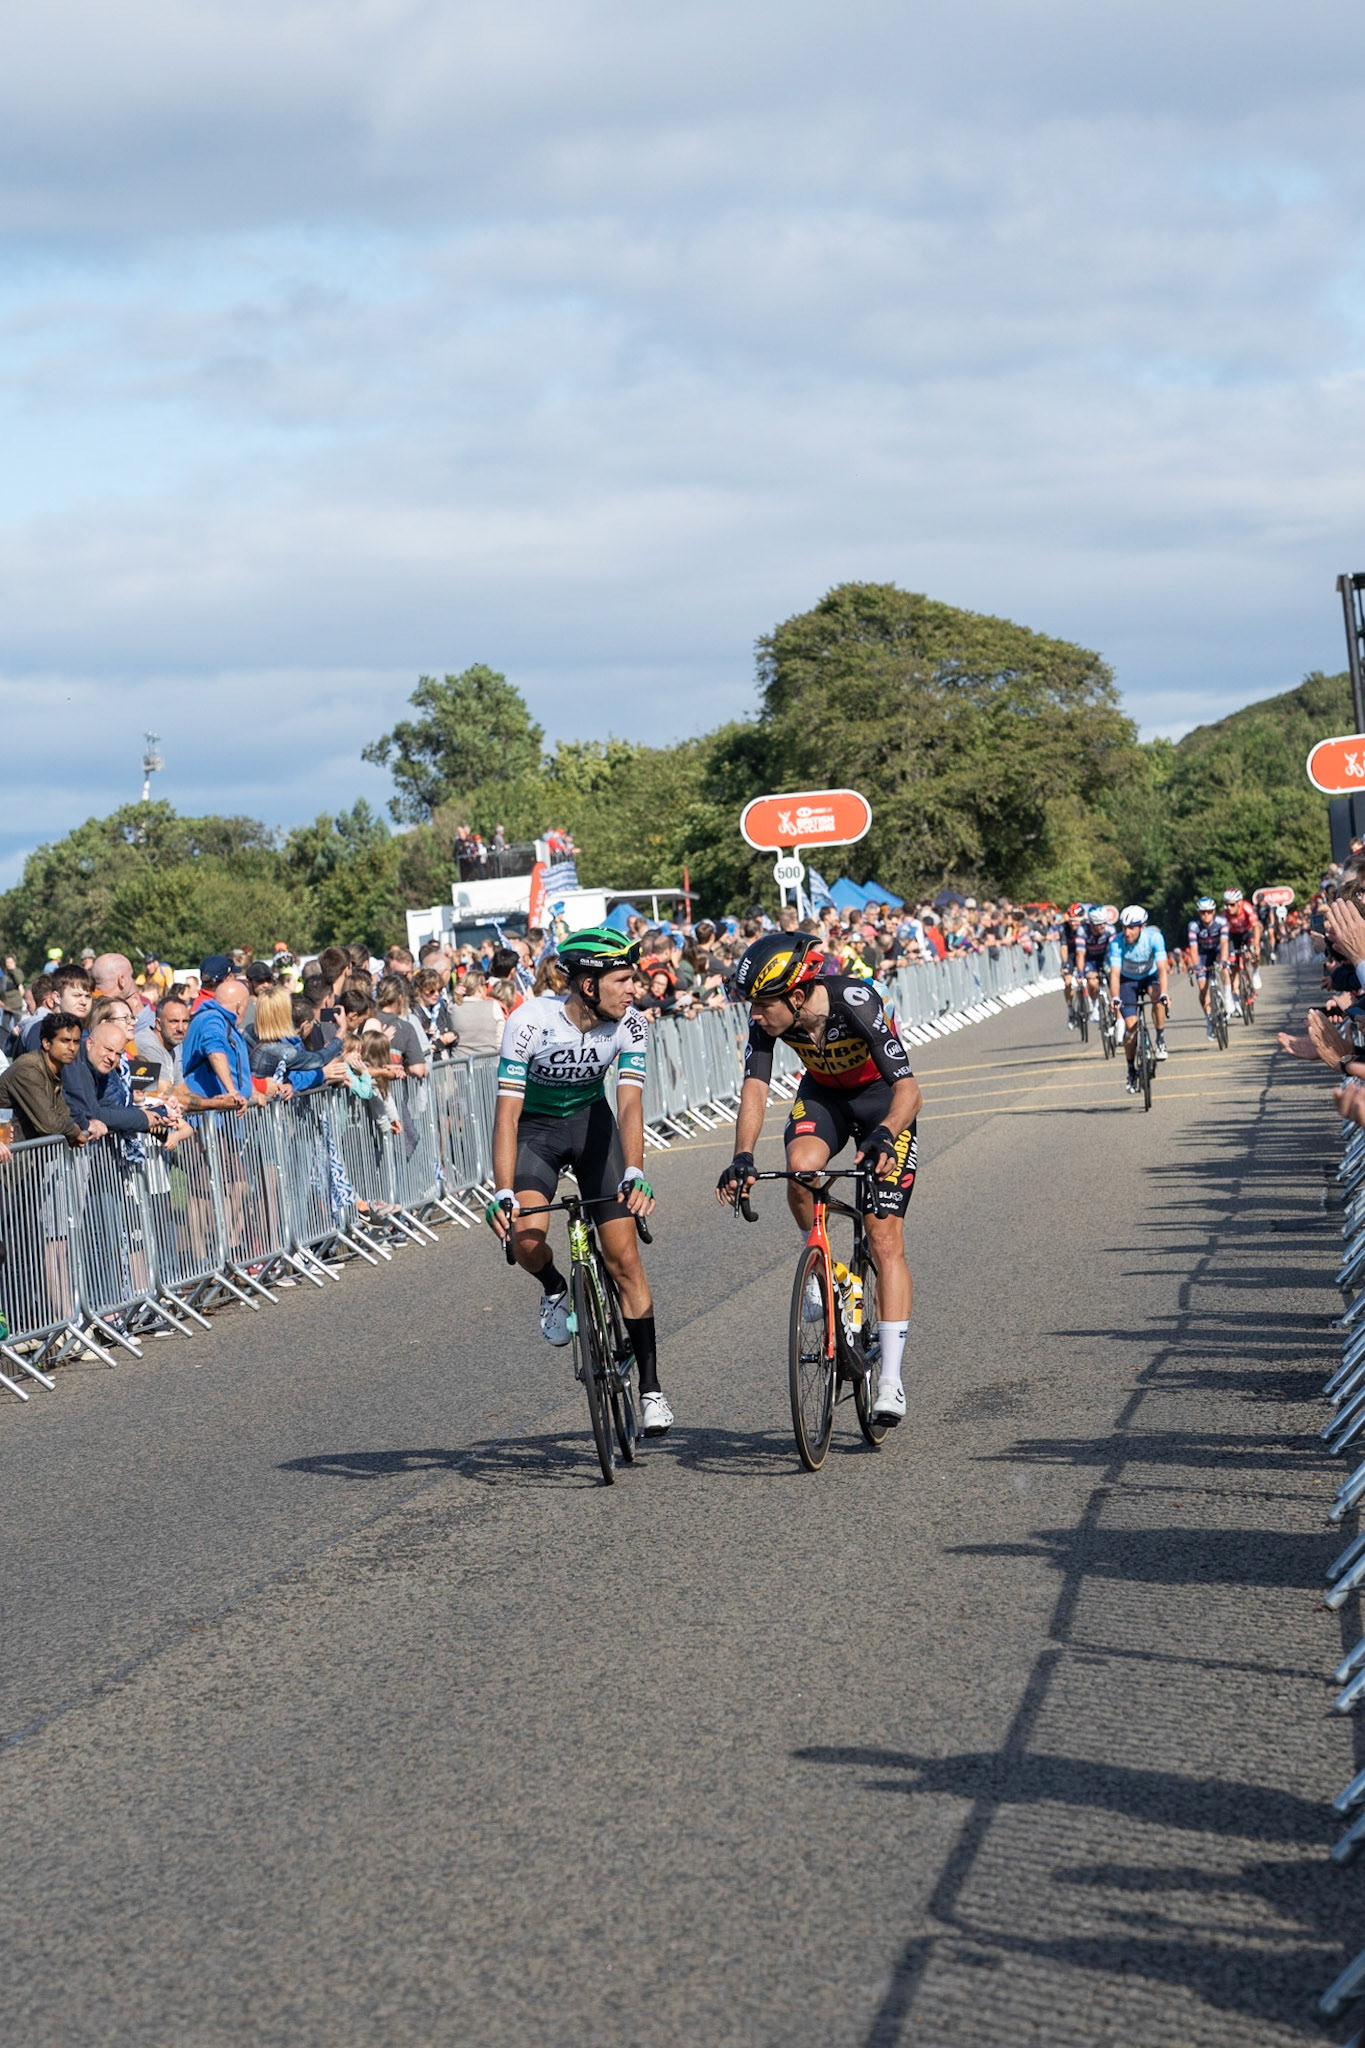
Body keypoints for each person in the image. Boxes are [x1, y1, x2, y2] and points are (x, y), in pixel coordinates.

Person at [715, 931, 922, 1426]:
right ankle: (834, 1276)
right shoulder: (769, 1021)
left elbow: (911, 1090)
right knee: (801, 1168)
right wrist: (742, 1156)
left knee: (884, 1238)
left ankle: (890, 1381)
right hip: (824, 1097)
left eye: (763, 1006)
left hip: (882, 1103)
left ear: (798, 996)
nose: (756, 1016)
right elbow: (755, 1088)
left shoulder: (856, 1001)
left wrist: (885, 1135)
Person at [486, 926, 672, 1436]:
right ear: (588, 985)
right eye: (624, 979)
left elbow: (630, 1101)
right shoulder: (528, 1022)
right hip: (536, 1133)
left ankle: (652, 1389)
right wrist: (503, 1190)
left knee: (624, 1259)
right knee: (524, 1236)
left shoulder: (631, 1025)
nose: (635, 989)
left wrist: (636, 1170)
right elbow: (507, 1114)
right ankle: (553, 1289)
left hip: (593, 1127)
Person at [0, 1014, 90, 1144]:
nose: (72, 1048)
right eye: (65, 1041)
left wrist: (71, 1130)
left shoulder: (54, 1068)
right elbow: (48, 1123)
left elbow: (62, 1112)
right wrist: (74, 1130)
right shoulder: (28, 1069)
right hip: (9, 1153)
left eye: (76, 1042)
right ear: (46, 1043)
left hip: (25, 1154)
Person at [1107, 906, 1169, 1092]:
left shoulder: (1154, 938)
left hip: (1149, 977)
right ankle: (1131, 1069)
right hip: (1128, 980)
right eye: (1124, 927)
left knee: (1158, 997)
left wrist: (1165, 993)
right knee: (1131, 1025)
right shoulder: (1117, 943)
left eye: (1132, 927)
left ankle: (1160, 1039)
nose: (1127, 932)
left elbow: (1162, 969)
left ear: (1142, 927)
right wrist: (1115, 997)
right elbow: (1115, 974)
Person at [181, 971, 253, 1110]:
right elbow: (214, 1051)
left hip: (224, 1115)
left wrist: (252, 1090)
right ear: (240, 1007)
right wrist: (232, 1092)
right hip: (212, 1117)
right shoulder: (213, 1019)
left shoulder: (220, 1019)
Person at [1186, 897, 1229, 1037]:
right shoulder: (1194, 926)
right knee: (1203, 988)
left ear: (1214, 911)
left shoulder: (1222, 922)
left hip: (1216, 951)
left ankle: (1228, 999)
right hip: (1202, 954)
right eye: (1203, 912)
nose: (1206, 915)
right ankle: (1209, 1017)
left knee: (1224, 968)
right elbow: (1193, 948)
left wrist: (1223, 960)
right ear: (1199, 913)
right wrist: (1197, 965)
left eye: (1209, 912)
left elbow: (1224, 943)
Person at [450, 968, 506, 1055]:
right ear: (479, 988)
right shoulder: (493, 1006)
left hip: (459, 1064)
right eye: (486, 985)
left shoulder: (453, 1007)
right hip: (488, 1063)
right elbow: (500, 1039)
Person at [1222, 887, 1261, 1007]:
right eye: (1226, 905)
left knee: (1254, 952)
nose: (1229, 908)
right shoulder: (1225, 914)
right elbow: (1222, 934)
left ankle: (1255, 972)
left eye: (1232, 905)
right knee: (1233, 964)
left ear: (1239, 902)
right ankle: (1236, 993)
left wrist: (1256, 944)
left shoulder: (1247, 908)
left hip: (1248, 932)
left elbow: (1256, 927)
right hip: (1234, 936)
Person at [1075, 908, 1115, 1023]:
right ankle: (1095, 1004)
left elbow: (1114, 951)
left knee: (1114, 980)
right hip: (1090, 959)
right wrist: (1080, 973)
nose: (1102, 926)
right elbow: (1080, 954)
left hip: (1105, 957)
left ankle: (1115, 1004)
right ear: (1091, 924)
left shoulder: (1110, 930)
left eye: (1104, 923)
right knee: (1092, 982)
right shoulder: (1082, 931)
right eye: (1098, 924)